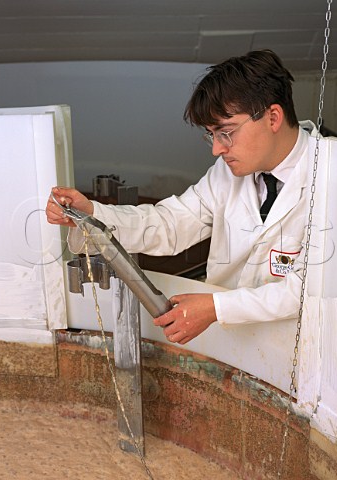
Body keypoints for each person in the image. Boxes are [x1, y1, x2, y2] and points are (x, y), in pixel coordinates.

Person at [46, 49, 318, 346]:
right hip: (233, 345)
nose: (216, 149)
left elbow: (312, 289)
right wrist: (94, 216)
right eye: (211, 135)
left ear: (273, 117)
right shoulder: (227, 174)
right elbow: (172, 223)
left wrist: (215, 307)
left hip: (294, 350)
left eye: (225, 132)